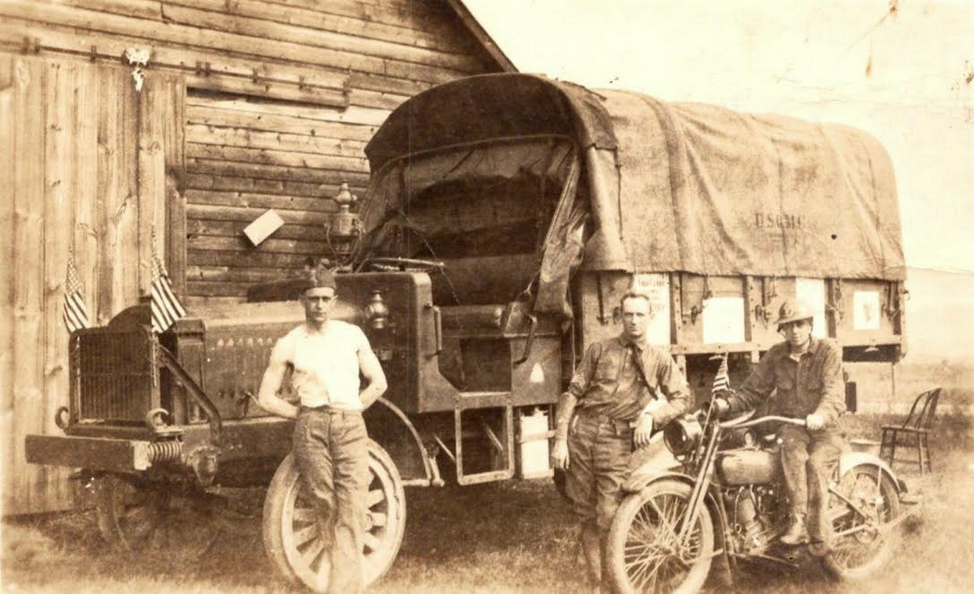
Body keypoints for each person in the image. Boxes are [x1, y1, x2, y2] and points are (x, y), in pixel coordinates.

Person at [257, 265, 388, 594]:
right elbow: (265, 397)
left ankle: (343, 587)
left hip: (350, 426)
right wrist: (300, 414)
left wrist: (355, 407)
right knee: (325, 503)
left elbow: (378, 383)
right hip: (311, 427)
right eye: (313, 298)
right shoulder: (290, 343)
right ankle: (337, 581)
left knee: (353, 505)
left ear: (334, 300)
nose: (319, 305)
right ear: (303, 300)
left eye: (325, 299)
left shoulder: (352, 335)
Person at [551, 289, 690, 592]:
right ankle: (597, 583)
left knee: (610, 515)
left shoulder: (659, 358)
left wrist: (653, 417)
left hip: (616, 441)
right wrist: (561, 440)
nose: (634, 321)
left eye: (640, 315)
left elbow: (682, 397)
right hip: (582, 435)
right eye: (628, 314)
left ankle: (616, 582)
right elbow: (571, 394)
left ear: (649, 318)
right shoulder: (599, 349)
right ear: (620, 316)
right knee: (585, 513)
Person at [714, 299, 846, 555]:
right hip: (792, 428)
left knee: (816, 465)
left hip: (826, 429)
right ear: (782, 330)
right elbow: (753, 392)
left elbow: (835, 395)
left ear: (810, 325)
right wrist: (726, 404)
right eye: (788, 326)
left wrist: (821, 414)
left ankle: (816, 535)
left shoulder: (828, 352)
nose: (794, 330)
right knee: (792, 454)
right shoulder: (776, 355)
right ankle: (795, 520)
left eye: (799, 324)